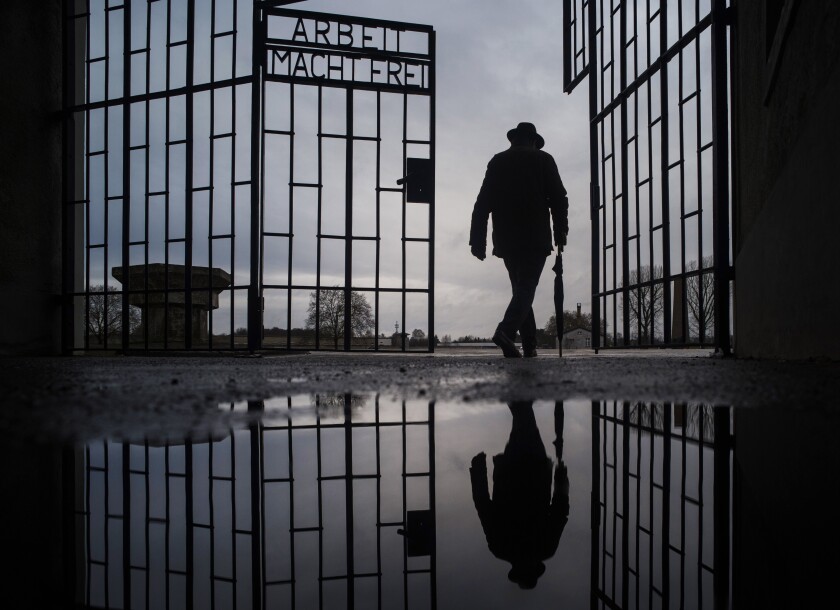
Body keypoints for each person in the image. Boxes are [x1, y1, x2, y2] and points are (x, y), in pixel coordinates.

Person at [469, 122, 569, 357]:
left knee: (521, 289)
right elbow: (558, 198)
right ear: (534, 140)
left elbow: (483, 202)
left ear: (514, 139)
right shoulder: (543, 159)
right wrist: (561, 230)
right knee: (526, 288)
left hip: (506, 238)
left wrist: (478, 240)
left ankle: (530, 345)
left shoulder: (497, 161)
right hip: (535, 236)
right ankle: (505, 331)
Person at [469, 401, 570, 589]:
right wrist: (478, 470)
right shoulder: (499, 548)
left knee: (524, 423)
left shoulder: (545, 548)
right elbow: (482, 504)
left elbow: (559, 510)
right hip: (511, 472)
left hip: (535, 471)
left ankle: (519, 387)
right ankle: (519, 389)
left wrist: (561, 479)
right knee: (523, 422)